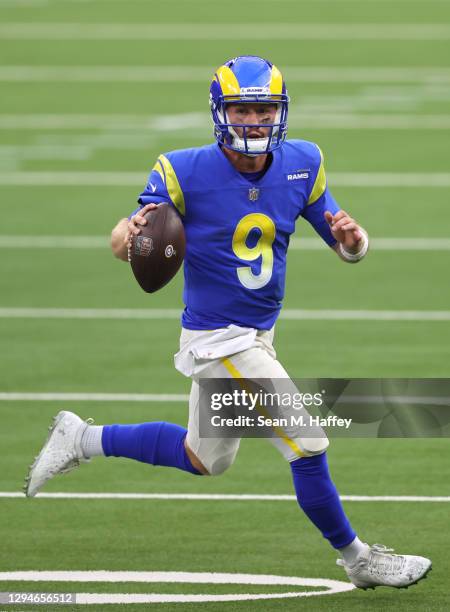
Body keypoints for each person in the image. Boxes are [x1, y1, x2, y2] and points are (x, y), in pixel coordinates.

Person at [24, 55, 431, 590]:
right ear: (221, 112)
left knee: (203, 458)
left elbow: (341, 236)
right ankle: (358, 559)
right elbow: (129, 241)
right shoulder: (181, 170)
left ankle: (82, 438)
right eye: (243, 109)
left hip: (258, 332)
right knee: (308, 441)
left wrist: (355, 243)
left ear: (279, 113)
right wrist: (127, 234)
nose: (254, 122)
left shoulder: (302, 162)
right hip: (218, 339)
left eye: (264, 110)